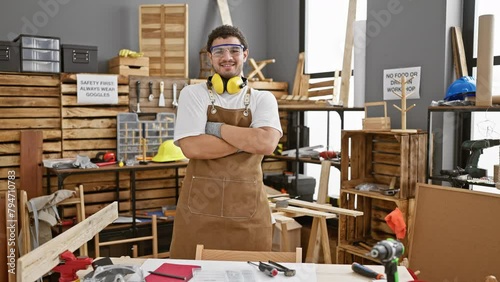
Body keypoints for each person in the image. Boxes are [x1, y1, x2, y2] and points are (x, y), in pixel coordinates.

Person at [169, 25, 283, 259]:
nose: (227, 57)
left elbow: (266, 144)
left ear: (245, 54)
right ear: (210, 56)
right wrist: (247, 138)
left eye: (234, 50)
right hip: (198, 214)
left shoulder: (263, 98)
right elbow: (192, 147)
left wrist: (214, 129)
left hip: (248, 214)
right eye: (219, 51)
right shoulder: (193, 94)